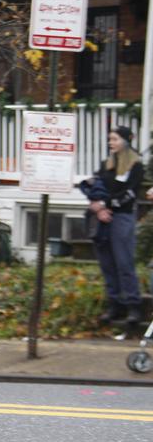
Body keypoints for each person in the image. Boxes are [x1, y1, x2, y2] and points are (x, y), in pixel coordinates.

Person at [82, 126, 144, 332]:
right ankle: (114, 304)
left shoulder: (136, 165)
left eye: (115, 139)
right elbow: (93, 184)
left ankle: (133, 306)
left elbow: (130, 194)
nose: (111, 142)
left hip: (122, 218)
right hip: (102, 219)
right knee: (107, 263)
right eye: (109, 139)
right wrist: (96, 206)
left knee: (124, 263)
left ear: (126, 140)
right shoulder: (105, 165)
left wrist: (105, 206)